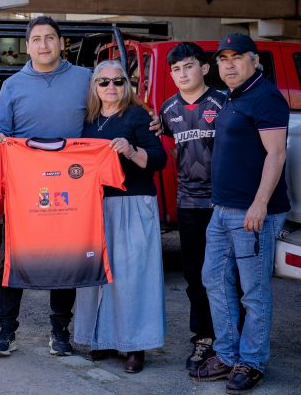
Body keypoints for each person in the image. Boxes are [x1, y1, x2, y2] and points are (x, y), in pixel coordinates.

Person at [0, 16, 91, 358]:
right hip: (25, 185)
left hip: (72, 184)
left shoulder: (85, 79)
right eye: (36, 39)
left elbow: (106, 117)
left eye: (50, 38)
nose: (44, 44)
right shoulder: (13, 85)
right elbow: (1, 131)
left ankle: (60, 331)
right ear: (28, 45)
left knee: (65, 259)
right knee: (14, 258)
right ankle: (6, 331)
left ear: (62, 43)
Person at [194, 34, 289, 394]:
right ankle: (228, 353)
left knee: (253, 290)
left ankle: (251, 362)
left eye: (237, 57)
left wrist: (260, 203)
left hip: (251, 212)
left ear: (255, 61)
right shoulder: (234, 96)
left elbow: (276, 154)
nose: (229, 64)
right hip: (222, 208)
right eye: (223, 58)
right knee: (214, 280)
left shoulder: (266, 97)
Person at [74, 59, 167, 373]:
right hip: (96, 207)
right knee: (100, 277)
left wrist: (130, 150)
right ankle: (103, 339)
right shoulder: (89, 120)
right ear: (95, 87)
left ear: (126, 85)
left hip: (132, 203)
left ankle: (135, 346)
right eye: (103, 82)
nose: (111, 87)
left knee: (133, 278)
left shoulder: (137, 116)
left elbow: (158, 158)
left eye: (117, 81)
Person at [160, 43, 225, 373]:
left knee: (225, 274)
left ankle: (230, 340)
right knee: (195, 274)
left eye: (188, 66)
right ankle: (203, 338)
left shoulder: (222, 102)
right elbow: (177, 149)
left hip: (223, 202)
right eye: (176, 69)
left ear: (204, 68)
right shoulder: (168, 109)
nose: (182, 74)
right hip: (188, 203)